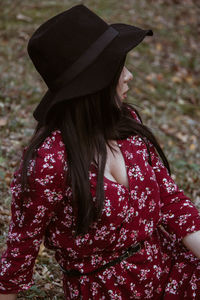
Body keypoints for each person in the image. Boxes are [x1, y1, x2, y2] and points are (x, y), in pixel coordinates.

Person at [0, 4, 200, 300]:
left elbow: (170, 200)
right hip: (108, 291)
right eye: (120, 68)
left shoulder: (127, 121)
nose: (129, 75)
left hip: (167, 267)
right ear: (93, 83)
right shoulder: (49, 162)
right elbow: (21, 251)